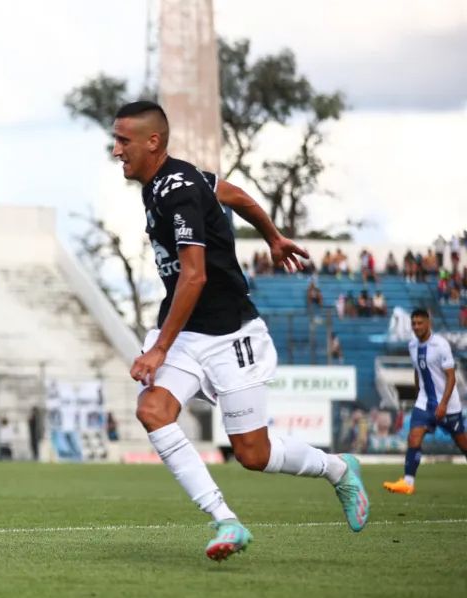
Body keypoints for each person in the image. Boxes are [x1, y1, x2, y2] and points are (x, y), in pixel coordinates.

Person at [111, 101, 368, 562]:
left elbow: (195, 276)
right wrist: (271, 235)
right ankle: (224, 518)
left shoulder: (178, 192)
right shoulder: (171, 180)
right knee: (153, 410)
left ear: (153, 142)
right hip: (187, 331)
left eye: (123, 141)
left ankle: (337, 468)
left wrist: (157, 350)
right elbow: (235, 196)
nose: (115, 150)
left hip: (232, 335)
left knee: (254, 453)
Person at [384, 309, 467, 494]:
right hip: (424, 403)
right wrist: (417, 394)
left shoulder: (441, 345)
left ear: (428, 323)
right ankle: (408, 483)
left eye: (420, 323)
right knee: (413, 437)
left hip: (448, 405)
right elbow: (418, 370)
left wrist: (443, 404)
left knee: (463, 444)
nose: (416, 327)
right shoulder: (412, 344)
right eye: (413, 323)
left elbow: (451, 377)